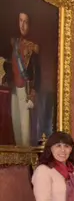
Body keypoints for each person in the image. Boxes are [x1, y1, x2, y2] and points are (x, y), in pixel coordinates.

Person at [8, 12, 38, 146]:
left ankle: (25, 158)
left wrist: (32, 94)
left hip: (25, 89)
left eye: (25, 22)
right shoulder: (13, 42)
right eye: (20, 21)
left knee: (25, 129)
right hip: (14, 88)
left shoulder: (33, 47)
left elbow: (38, 71)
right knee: (16, 125)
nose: (23, 25)